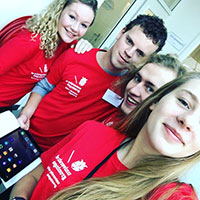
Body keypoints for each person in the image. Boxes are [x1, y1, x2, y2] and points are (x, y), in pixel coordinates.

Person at [10, 72, 200, 200]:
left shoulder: (172, 194)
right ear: (157, 101)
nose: (188, 121)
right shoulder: (92, 131)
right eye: (184, 102)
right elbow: (36, 175)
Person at [18, 14, 168, 150]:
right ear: (120, 33)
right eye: (129, 41)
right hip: (24, 131)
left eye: (139, 53)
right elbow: (44, 85)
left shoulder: (130, 89)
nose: (129, 53)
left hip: (55, 154)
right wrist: (26, 114)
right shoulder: (77, 55)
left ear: (145, 60)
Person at [0, 0, 98, 112]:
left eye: (84, 25)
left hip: (7, 106)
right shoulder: (31, 41)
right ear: (59, 11)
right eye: (72, 17)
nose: (75, 28)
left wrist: (86, 46)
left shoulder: (67, 46)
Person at [102, 53, 185, 126]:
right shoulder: (117, 112)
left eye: (149, 89)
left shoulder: (133, 140)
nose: (133, 90)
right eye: (137, 79)